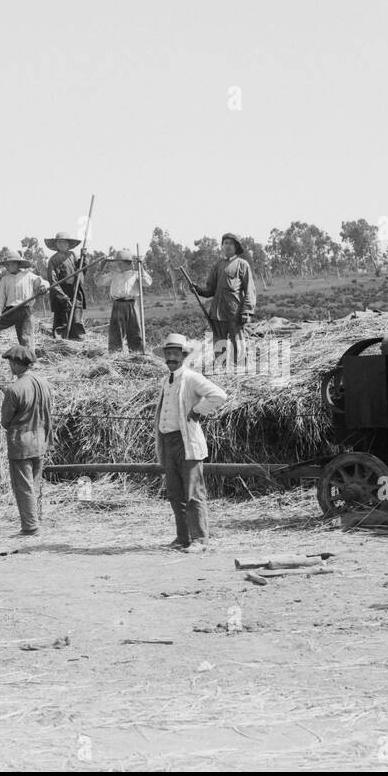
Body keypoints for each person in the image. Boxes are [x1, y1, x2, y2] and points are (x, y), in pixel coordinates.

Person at [153, 333, 227, 552]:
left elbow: (219, 395)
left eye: (176, 353)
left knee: (194, 492)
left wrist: (197, 410)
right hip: (167, 442)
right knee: (175, 493)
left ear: (184, 356)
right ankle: (182, 537)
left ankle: (200, 539)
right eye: (169, 354)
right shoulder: (166, 380)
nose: (172, 358)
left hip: (186, 441)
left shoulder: (192, 377)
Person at [0, 344, 53, 535]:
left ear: (15, 364)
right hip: (41, 439)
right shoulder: (44, 383)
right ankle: (36, 519)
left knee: (23, 486)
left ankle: (30, 527)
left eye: (10, 363)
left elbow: (5, 421)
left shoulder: (14, 389)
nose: (9, 367)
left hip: (21, 443)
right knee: (35, 484)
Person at [190, 232, 256, 365]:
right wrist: (198, 289)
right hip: (217, 311)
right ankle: (222, 368)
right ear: (222, 246)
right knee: (219, 342)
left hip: (234, 311)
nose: (228, 246)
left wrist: (247, 311)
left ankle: (241, 367)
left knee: (237, 340)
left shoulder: (242, 264)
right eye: (225, 243)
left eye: (231, 243)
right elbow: (210, 290)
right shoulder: (218, 265)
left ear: (236, 246)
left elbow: (250, 289)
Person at [0, 249, 50, 354]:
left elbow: (42, 282)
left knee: (26, 337)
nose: (7, 267)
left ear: (17, 264)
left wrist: (43, 287)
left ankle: (27, 360)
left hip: (25, 311)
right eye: (6, 264)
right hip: (10, 311)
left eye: (10, 264)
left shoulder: (29, 276)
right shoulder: (5, 279)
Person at [94, 249, 152, 353]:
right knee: (116, 331)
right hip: (118, 305)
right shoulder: (113, 275)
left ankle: (137, 354)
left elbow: (147, 282)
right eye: (117, 263)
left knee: (135, 331)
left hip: (132, 304)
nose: (118, 265)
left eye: (120, 263)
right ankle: (115, 354)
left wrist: (141, 267)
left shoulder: (135, 274)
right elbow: (98, 281)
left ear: (127, 263)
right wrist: (101, 266)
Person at [45, 231, 86, 340]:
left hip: (74, 289)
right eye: (60, 242)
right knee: (61, 318)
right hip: (60, 291)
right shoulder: (53, 260)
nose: (63, 244)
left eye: (65, 242)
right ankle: (60, 342)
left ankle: (78, 340)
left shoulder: (73, 255)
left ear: (68, 244)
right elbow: (53, 281)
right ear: (56, 245)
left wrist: (83, 258)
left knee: (76, 317)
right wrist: (62, 296)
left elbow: (82, 270)